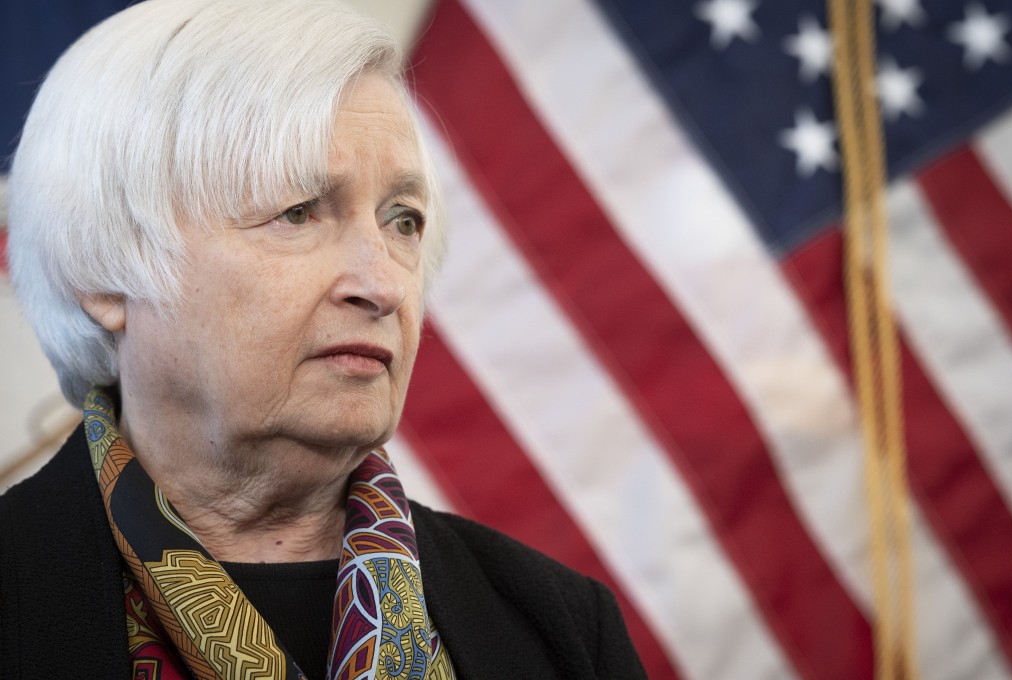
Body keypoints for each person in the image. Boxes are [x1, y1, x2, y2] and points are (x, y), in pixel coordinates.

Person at [0, 0, 647, 678]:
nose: (385, 285)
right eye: (299, 211)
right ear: (102, 273)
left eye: (404, 221)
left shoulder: (565, 629)